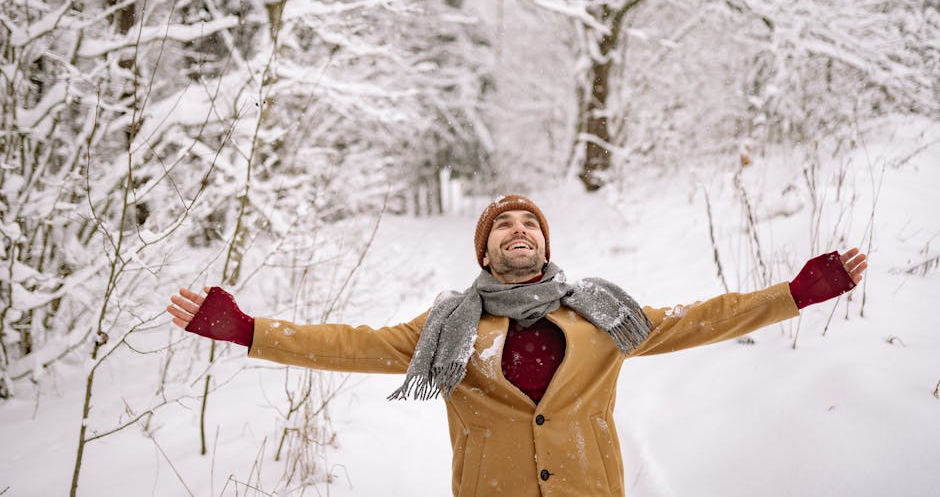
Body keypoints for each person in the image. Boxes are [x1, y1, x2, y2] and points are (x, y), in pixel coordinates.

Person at [167, 194, 867, 497]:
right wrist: (251, 329)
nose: (518, 229)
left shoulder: (601, 314)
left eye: (529, 221)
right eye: (503, 224)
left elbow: (702, 317)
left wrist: (795, 292)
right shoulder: (450, 324)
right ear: (486, 247)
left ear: (544, 241)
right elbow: (351, 344)